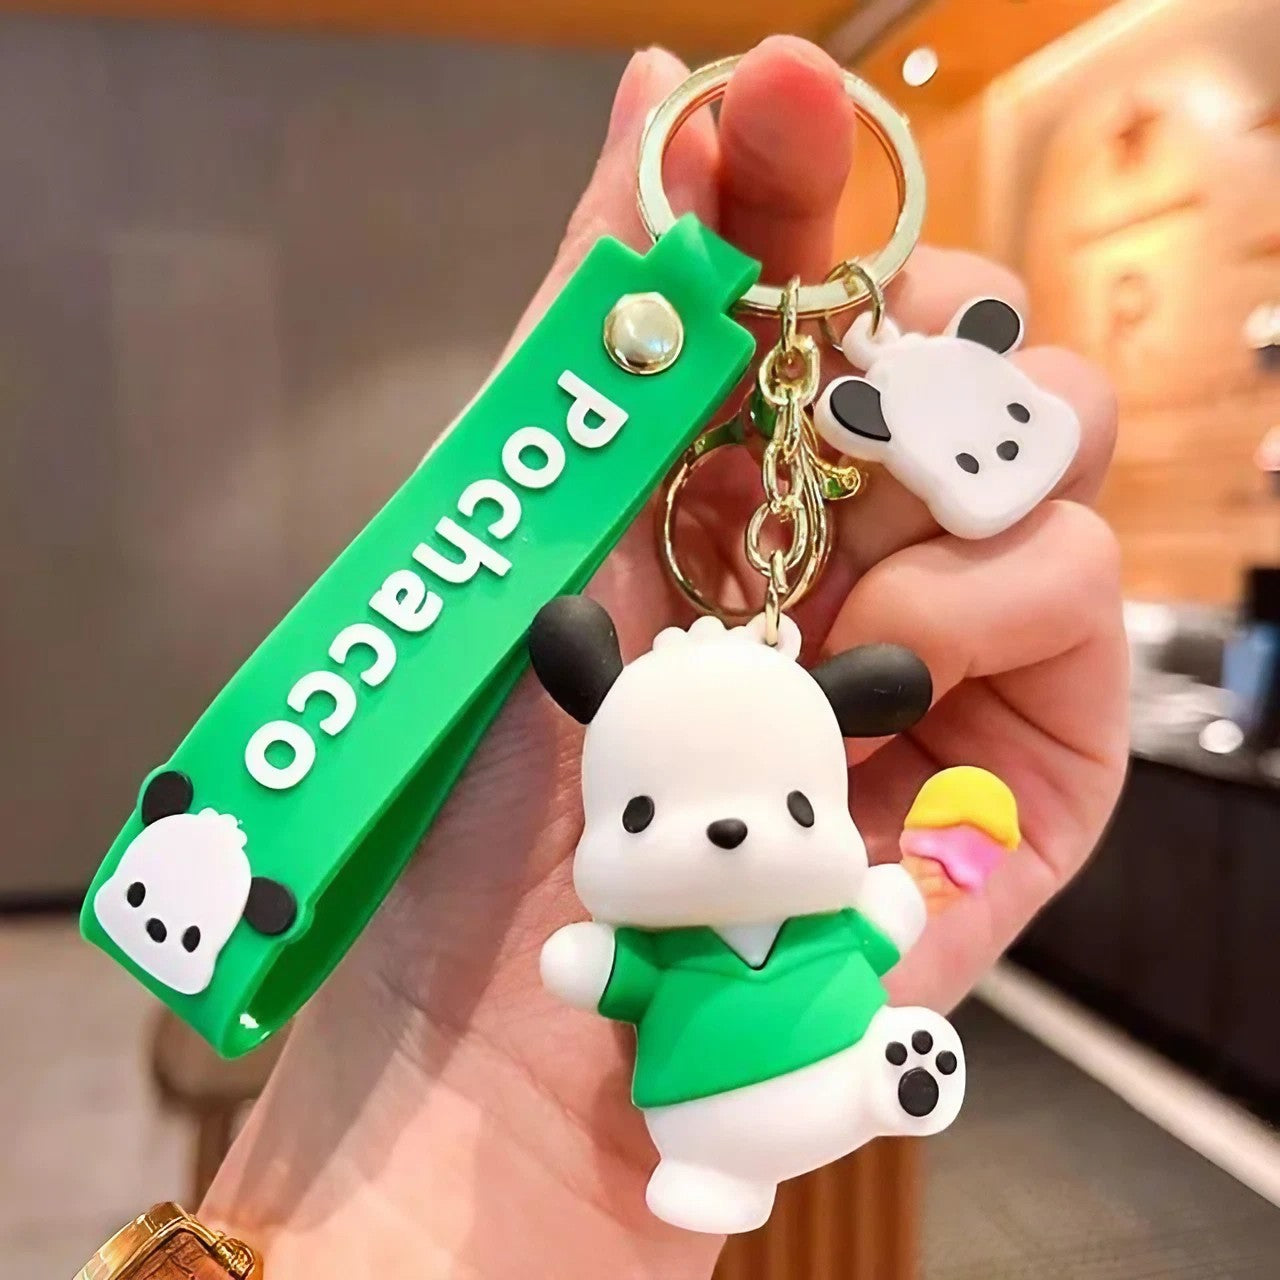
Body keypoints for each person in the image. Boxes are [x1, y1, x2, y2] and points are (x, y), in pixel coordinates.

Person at [203, 35, 1126, 1277]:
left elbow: (877, 910)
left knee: (843, 1075)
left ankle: (875, 1082)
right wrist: (454, 1063)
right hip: (684, 1115)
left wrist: (910, 880)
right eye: (637, 811)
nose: (735, 832)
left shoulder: (802, 904)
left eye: (794, 808)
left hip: (820, 1058)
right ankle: (769, 1135)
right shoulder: (659, 935)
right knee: (720, 1141)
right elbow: (603, 964)